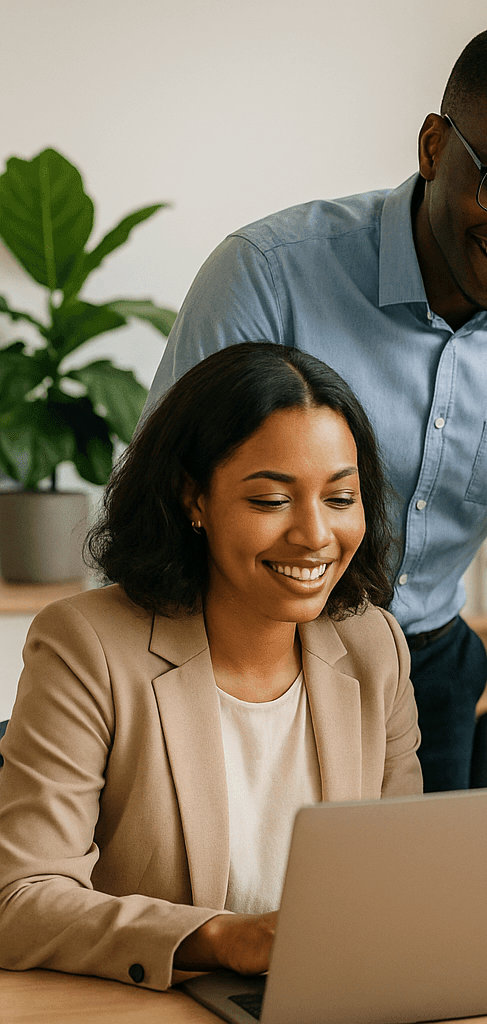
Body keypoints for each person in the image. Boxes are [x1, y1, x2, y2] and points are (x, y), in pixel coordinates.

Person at [145, 23, 487, 792]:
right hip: (240, 655)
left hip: (426, 667)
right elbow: (168, 500)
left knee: (413, 909)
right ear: (434, 147)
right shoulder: (267, 275)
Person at [0, 343, 421, 988]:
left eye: (340, 498)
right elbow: (21, 898)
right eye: (270, 501)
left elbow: (399, 879)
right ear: (193, 498)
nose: (314, 534)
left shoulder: (375, 647)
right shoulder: (87, 646)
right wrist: (221, 939)